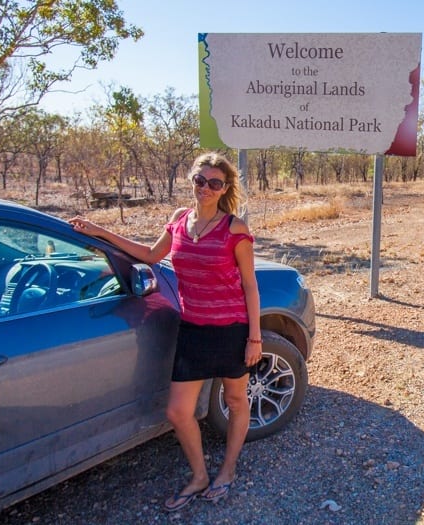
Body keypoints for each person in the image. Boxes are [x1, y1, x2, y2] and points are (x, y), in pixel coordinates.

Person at [69, 152, 262, 511]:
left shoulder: (235, 229)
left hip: (231, 330)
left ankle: (228, 471)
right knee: (177, 411)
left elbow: (250, 286)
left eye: (214, 183)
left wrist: (255, 338)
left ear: (224, 189)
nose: (205, 188)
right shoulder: (178, 220)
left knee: (236, 401)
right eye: (200, 180)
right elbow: (149, 255)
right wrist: (99, 232)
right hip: (193, 329)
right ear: (192, 181)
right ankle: (200, 475)